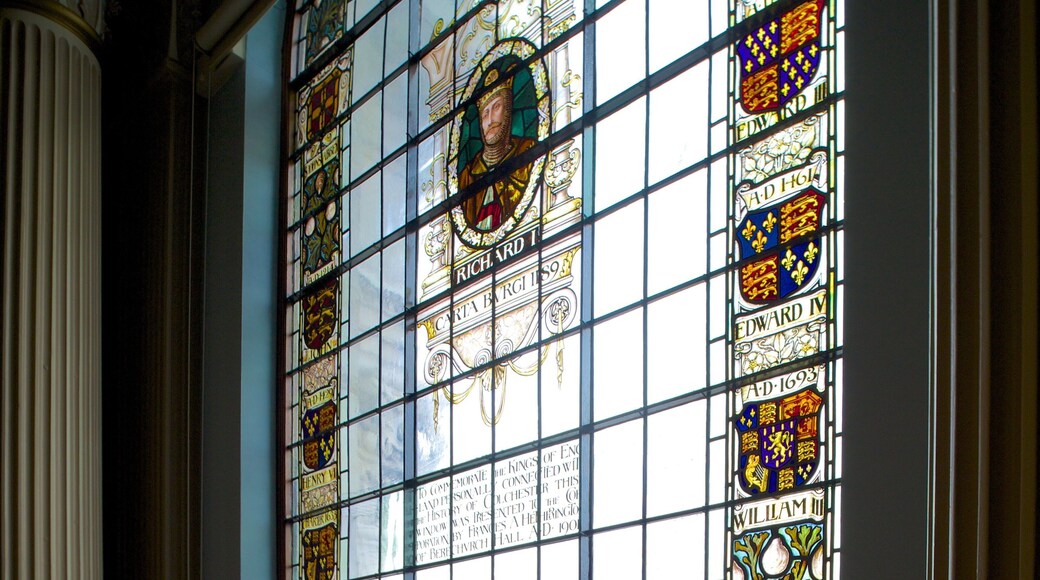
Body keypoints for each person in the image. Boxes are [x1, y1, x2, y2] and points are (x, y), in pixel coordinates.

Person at [458, 67, 537, 232]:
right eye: (485, 114)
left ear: (508, 110)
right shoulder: (467, 176)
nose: (490, 120)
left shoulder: (526, 153)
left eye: (496, 107)